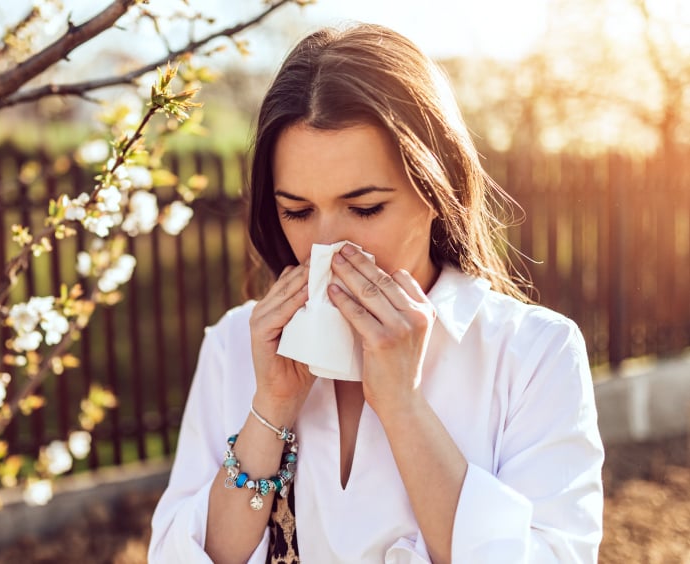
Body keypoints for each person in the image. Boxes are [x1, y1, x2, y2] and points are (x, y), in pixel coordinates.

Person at [148, 23, 604, 564]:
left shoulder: (533, 354)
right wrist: (269, 409)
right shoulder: (233, 346)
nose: (327, 246)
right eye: (297, 210)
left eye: (364, 208)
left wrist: (403, 408)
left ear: (441, 190)